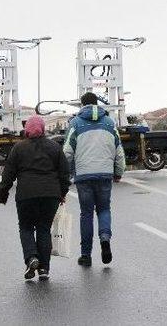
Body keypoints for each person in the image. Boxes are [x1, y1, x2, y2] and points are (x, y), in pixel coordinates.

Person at [0, 116, 71, 281]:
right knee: (44, 229)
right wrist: (62, 193)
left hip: (26, 195)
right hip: (50, 195)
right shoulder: (54, 147)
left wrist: (3, 193)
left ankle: (31, 258)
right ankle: (44, 268)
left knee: (26, 228)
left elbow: (8, 173)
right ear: (43, 129)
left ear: (27, 130)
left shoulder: (19, 148)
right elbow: (64, 173)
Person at [64, 92, 125, 267]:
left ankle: (86, 255)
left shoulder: (75, 123)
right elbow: (118, 150)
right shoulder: (109, 123)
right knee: (104, 209)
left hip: (83, 176)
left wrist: (66, 175)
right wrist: (118, 171)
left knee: (86, 214)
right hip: (105, 174)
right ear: (97, 104)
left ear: (82, 105)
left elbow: (67, 152)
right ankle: (105, 239)